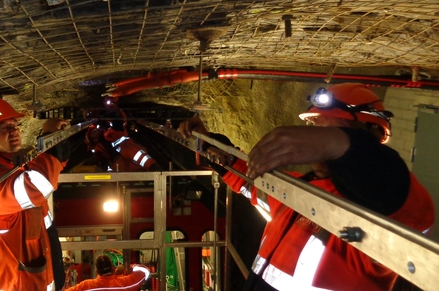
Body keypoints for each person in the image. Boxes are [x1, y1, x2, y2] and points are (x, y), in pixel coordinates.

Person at [178, 83, 435, 291]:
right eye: (315, 125)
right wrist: (211, 142)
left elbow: (392, 185)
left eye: (325, 126)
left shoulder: (392, 201)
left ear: (365, 134)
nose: (313, 130)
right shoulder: (302, 189)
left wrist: (343, 145)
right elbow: (252, 181)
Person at [0, 98, 69, 291]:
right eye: (2, 127)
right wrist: (49, 134)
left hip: (26, 280)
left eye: (14, 125)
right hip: (13, 284)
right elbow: (38, 186)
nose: (13, 131)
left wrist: (58, 146)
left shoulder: (7, 168)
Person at [65, 254, 150, 291]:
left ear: (97, 270)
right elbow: (145, 271)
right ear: (113, 268)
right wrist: (129, 267)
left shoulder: (87, 286)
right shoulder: (124, 284)